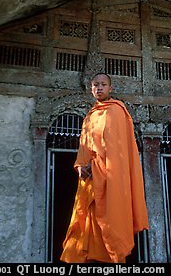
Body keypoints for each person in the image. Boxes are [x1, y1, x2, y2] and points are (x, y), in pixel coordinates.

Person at [60, 72, 149, 263]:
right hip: (92, 181)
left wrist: (100, 166)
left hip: (111, 178)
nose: (99, 88)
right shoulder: (90, 116)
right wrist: (80, 166)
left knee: (111, 222)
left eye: (103, 84)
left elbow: (118, 150)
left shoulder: (117, 111)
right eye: (95, 85)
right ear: (91, 88)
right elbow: (84, 146)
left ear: (111, 88)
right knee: (89, 225)